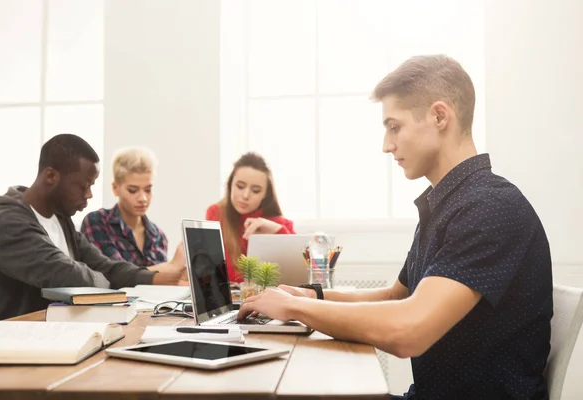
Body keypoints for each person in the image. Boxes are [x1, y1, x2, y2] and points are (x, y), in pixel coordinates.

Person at [237, 55, 553, 399]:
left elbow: (409, 331)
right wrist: (311, 294)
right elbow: (394, 296)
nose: (387, 145)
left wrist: (297, 309)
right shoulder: (448, 204)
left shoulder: (489, 207)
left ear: (439, 115)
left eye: (394, 126)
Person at [0, 134, 187, 321]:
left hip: (51, 331)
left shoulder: (60, 219)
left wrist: (164, 278)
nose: (89, 194)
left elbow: (106, 267)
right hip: (9, 343)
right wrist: (108, 283)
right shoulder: (5, 222)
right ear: (51, 176)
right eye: (83, 185)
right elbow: (69, 276)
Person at [206, 152, 295, 282]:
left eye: (256, 190)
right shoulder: (216, 213)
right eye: (240, 186)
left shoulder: (281, 225)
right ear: (230, 184)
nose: (246, 195)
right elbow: (218, 272)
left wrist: (278, 231)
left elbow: (299, 275)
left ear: (265, 194)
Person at [81, 147, 168, 267]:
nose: (143, 198)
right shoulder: (97, 222)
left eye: (148, 190)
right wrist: (171, 270)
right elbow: (115, 274)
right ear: (115, 188)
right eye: (132, 190)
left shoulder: (158, 236)